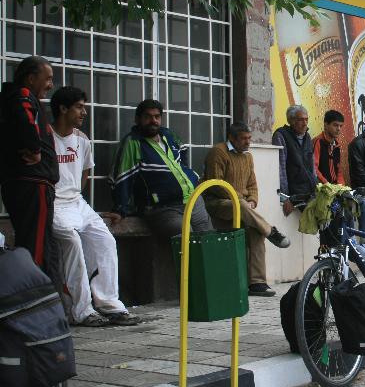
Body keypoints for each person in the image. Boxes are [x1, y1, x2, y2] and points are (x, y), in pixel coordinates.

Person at [49, 86, 140, 326]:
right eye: (79, 107)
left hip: (77, 202)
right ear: (63, 108)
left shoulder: (82, 139)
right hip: (54, 204)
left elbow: (85, 173)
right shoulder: (45, 138)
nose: (84, 112)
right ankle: (82, 311)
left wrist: (78, 198)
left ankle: (110, 305)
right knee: (73, 242)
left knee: (105, 241)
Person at [204, 122, 290, 297]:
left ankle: (257, 283)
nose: (248, 142)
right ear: (231, 138)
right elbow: (216, 184)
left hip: (241, 206)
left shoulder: (247, 157)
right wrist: (241, 200)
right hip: (218, 203)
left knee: (257, 231)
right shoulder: (218, 152)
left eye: (249, 138)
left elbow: (252, 184)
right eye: (243, 139)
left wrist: (252, 200)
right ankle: (271, 231)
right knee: (241, 205)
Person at [108, 99, 214, 238]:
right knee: (186, 239)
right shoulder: (132, 143)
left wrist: (189, 177)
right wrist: (120, 209)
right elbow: (121, 177)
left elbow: (182, 157)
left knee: (209, 238)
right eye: (148, 117)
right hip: (163, 208)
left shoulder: (168, 135)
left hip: (193, 200)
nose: (153, 121)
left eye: (157, 117)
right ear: (137, 119)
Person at [0, 56, 60, 286]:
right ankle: (36, 297)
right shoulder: (22, 97)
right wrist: (35, 149)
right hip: (32, 183)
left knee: (40, 242)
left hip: (27, 183)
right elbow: (24, 123)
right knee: (36, 246)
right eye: (48, 79)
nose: (50, 85)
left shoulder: (15, 98)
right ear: (31, 78)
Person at [273, 105, 317, 216]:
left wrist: (316, 187)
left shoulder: (307, 137)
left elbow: (312, 167)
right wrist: (286, 197)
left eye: (306, 119)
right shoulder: (281, 135)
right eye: (301, 119)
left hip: (309, 191)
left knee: (337, 211)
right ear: (291, 121)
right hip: (295, 194)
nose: (305, 123)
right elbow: (280, 169)